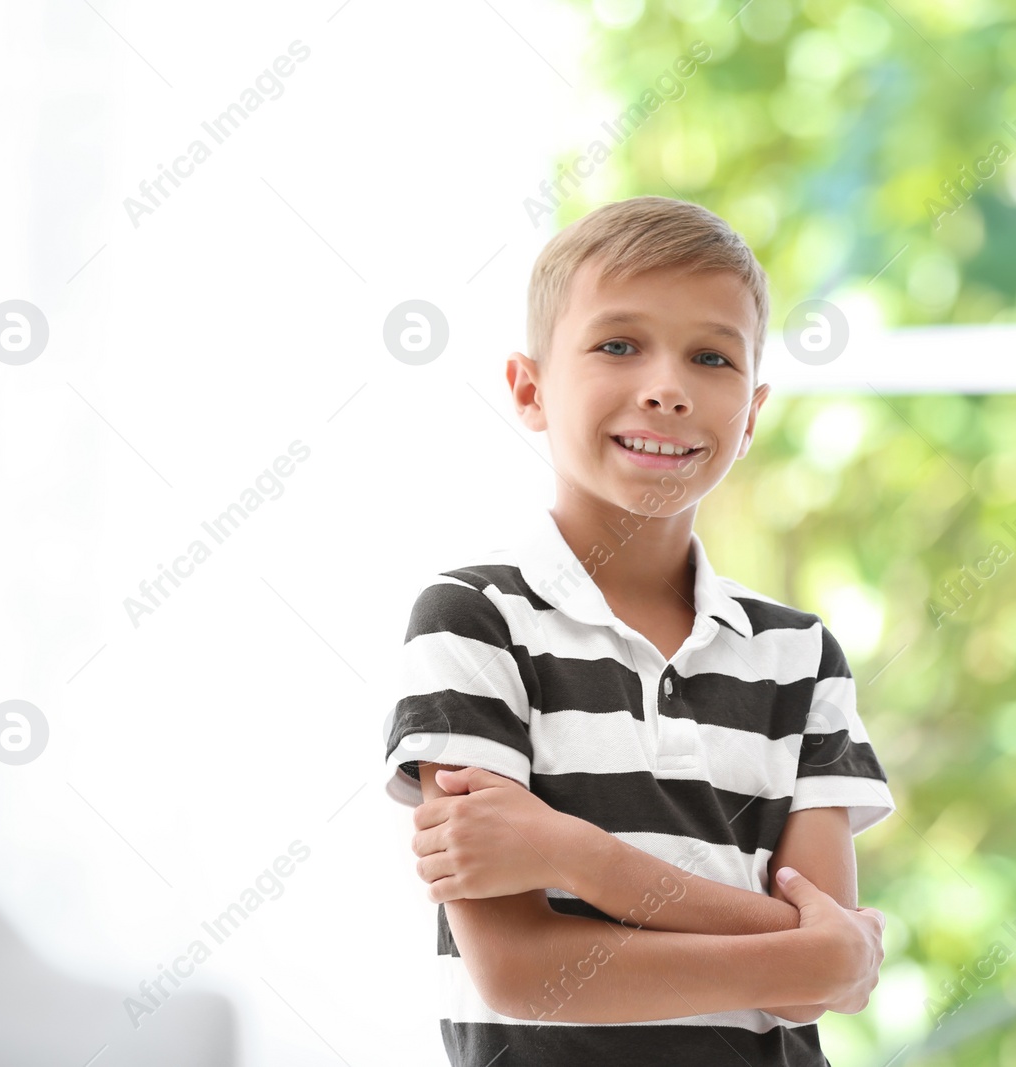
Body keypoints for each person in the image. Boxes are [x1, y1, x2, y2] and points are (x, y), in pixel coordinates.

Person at [383, 195, 895, 1066]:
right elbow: (522, 975)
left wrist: (575, 856)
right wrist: (808, 945)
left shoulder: (801, 657)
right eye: (618, 345)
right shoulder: (474, 621)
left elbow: (817, 981)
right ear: (529, 387)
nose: (667, 387)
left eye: (712, 356)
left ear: (752, 415)